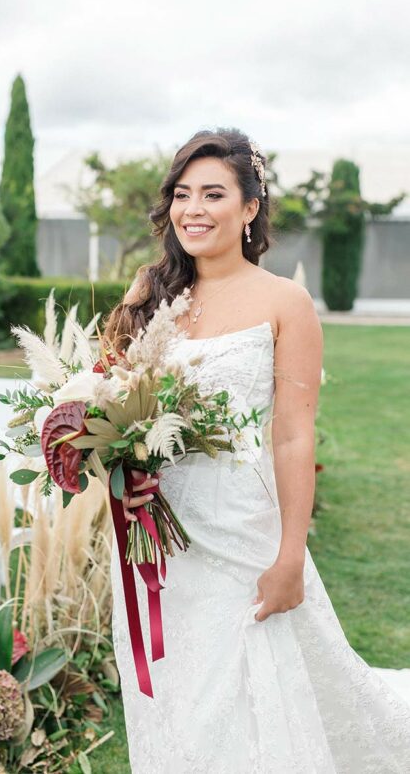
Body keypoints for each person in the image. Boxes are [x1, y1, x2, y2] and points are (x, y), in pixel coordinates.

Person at [102, 127, 410, 773]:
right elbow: (111, 396)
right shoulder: (147, 294)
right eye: (182, 194)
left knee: (244, 698)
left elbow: (294, 434)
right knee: (176, 696)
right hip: (154, 537)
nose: (193, 209)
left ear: (248, 208)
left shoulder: (284, 302)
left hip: (243, 535)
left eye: (213, 194)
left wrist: (291, 555)